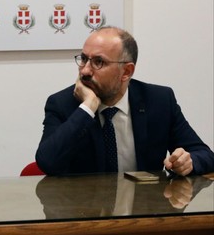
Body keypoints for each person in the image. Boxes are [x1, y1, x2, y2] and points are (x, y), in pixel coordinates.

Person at [36, 26, 214, 176]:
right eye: (83, 59)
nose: (85, 71)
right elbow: (47, 162)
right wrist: (87, 108)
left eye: (99, 62)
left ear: (127, 72)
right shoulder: (63, 104)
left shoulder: (159, 101)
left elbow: (205, 155)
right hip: (85, 213)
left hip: (144, 212)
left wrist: (188, 162)